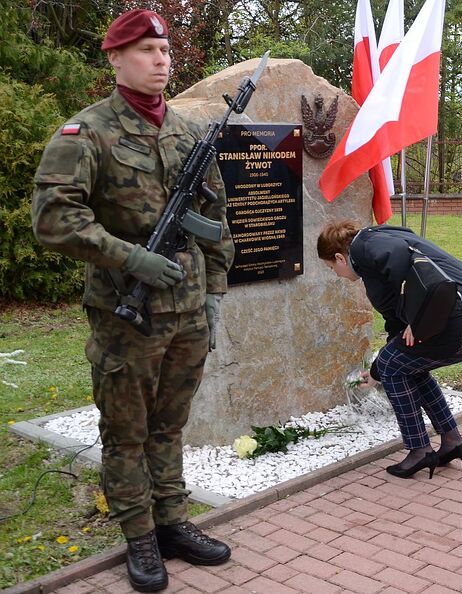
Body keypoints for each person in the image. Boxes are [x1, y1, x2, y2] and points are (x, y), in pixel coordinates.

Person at [31, 9, 234, 593]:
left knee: (170, 424)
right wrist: (130, 258)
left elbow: (215, 217)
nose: (160, 60)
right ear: (116, 58)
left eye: (164, 49)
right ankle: (139, 535)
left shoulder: (189, 132)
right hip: (129, 313)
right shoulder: (86, 133)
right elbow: (54, 219)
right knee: (127, 432)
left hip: (188, 310)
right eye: (146, 50)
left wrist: (215, 291)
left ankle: (171, 521)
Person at [317, 221, 462, 479]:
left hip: (460, 315)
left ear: (339, 257)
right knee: (405, 365)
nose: (335, 274)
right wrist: (376, 372)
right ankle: (452, 441)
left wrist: (418, 316)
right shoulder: (373, 260)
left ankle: (420, 450)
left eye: (331, 268)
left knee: (392, 366)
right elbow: (395, 326)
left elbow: (399, 256)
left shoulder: (366, 246)